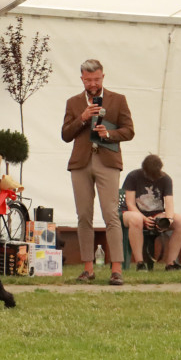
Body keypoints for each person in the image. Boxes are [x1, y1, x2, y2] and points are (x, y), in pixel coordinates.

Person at [61, 59, 134, 286]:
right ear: (81, 78)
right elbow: (65, 135)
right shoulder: (73, 103)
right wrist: (82, 118)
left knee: (111, 214)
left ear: (103, 77)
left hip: (107, 161)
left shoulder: (118, 100)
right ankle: (88, 268)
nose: (93, 83)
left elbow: (129, 131)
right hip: (81, 163)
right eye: (88, 79)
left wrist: (109, 134)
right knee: (83, 216)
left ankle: (116, 269)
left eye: (97, 79)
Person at [121, 154, 181, 271]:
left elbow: (169, 203)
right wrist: (143, 219)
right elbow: (130, 203)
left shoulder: (166, 179)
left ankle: (171, 263)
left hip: (156, 213)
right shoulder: (133, 176)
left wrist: (169, 219)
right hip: (131, 212)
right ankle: (140, 263)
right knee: (136, 219)